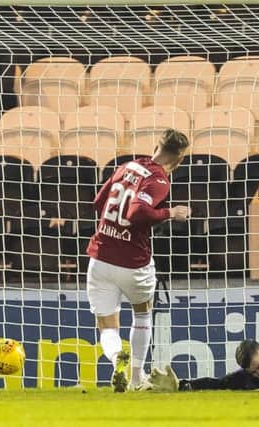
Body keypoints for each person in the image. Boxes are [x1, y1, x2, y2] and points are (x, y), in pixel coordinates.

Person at [86, 129, 191, 392]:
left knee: (107, 324)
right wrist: (170, 212)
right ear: (179, 158)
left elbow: (99, 202)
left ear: (156, 144)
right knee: (142, 315)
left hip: (101, 257)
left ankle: (115, 359)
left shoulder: (126, 166)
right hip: (134, 263)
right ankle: (135, 378)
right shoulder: (160, 180)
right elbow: (137, 212)